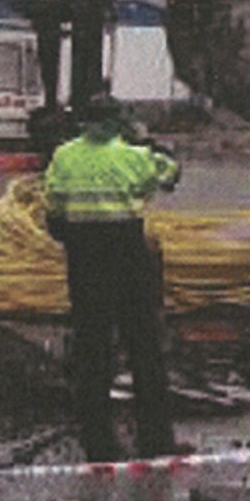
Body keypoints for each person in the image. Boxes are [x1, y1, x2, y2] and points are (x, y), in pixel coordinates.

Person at [44, 96, 181, 461]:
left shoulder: (64, 157)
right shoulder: (133, 157)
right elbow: (171, 174)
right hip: (128, 258)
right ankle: (156, 440)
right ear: (119, 123)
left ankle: (98, 443)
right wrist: (146, 142)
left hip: (84, 261)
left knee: (92, 351)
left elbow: (53, 213)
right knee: (144, 348)